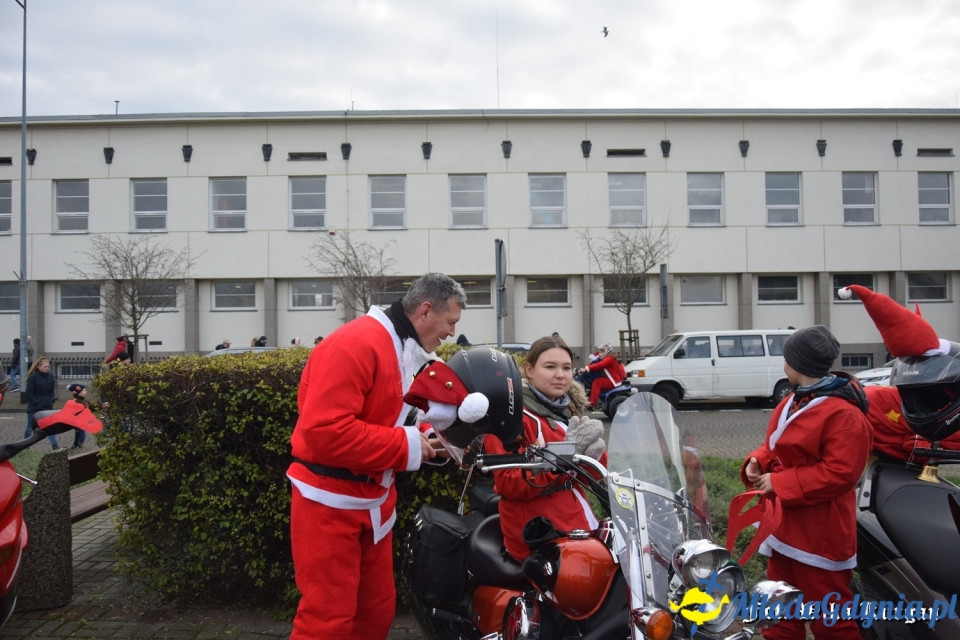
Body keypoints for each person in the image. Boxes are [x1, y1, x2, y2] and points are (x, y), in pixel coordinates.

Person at [286, 272, 466, 640]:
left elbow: (385, 419)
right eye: (451, 322)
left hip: (373, 501)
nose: (451, 333)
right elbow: (324, 434)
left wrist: (431, 441)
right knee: (327, 620)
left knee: (376, 611)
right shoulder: (356, 343)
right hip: (328, 504)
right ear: (426, 311)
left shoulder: (396, 346)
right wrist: (411, 445)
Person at [741, 324, 871, 640]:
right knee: (779, 613)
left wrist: (781, 483)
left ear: (796, 363)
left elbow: (841, 474)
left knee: (831, 619)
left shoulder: (844, 414)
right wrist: (756, 463)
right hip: (782, 526)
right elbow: (774, 446)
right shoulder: (792, 401)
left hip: (819, 534)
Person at [483, 335, 607, 562]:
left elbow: (590, 477)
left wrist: (596, 457)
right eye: (550, 367)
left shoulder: (569, 411)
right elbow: (509, 482)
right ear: (529, 370)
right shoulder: (508, 415)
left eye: (567, 368)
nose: (560, 375)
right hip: (538, 533)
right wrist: (561, 458)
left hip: (577, 523)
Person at [576, 342, 626, 408]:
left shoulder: (609, 358)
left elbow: (599, 365)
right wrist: (584, 368)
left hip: (613, 381)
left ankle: (592, 403)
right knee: (595, 381)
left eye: (602, 350)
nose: (600, 352)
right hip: (610, 379)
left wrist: (586, 369)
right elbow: (594, 364)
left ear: (608, 351)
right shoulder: (605, 358)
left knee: (597, 383)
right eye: (600, 350)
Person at [24, 356, 59, 449]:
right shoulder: (33, 377)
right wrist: (36, 403)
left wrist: (51, 400)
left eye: (48, 366)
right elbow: (29, 393)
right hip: (34, 407)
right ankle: (24, 446)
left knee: (50, 427)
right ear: (38, 367)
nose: (47, 368)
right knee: (30, 428)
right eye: (45, 366)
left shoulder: (50, 376)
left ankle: (55, 445)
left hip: (47, 406)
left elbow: (52, 391)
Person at [66, 383, 101, 449]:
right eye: (84, 390)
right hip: (76, 422)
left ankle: (75, 445)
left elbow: (92, 407)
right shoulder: (75, 402)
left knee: (78, 433)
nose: (86, 392)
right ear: (78, 393)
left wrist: (101, 406)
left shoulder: (85, 400)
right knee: (82, 433)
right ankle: (79, 445)